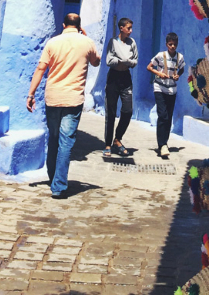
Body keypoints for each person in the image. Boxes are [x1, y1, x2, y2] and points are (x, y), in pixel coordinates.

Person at [26, 12, 100, 199]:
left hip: (53, 97)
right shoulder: (87, 43)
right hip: (73, 99)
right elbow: (96, 62)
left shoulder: (52, 43)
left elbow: (41, 68)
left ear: (63, 24)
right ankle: (58, 186)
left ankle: (54, 178)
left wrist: (31, 93)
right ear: (79, 26)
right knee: (66, 141)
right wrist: (87, 38)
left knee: (54, 137)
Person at [103, 17, 138, 158]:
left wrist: (128, 62)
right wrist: (119, 61)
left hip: (126, 78)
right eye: (128, 28)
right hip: (113, 78)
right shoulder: (113, 42)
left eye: (131, 28)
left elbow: (135, 60)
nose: (130, 31)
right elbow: (108, 60)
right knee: (110, 112)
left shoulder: (132, 43)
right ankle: (107, 144)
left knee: (128, 110)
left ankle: (117, 139)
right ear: (121, 28)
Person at [147, 32, 186, 158]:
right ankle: (162, 144)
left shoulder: (180, 57)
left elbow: (182, 68)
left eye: (175, 44)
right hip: (159, 88)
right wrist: (158, 73)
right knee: (162, 115)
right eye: (170, 44)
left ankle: (165, 143)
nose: (173, 47)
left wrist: (178, 75)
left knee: (168, 117)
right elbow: (149, 67)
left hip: (172, 90)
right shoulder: (160, 55)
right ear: (166, 44)